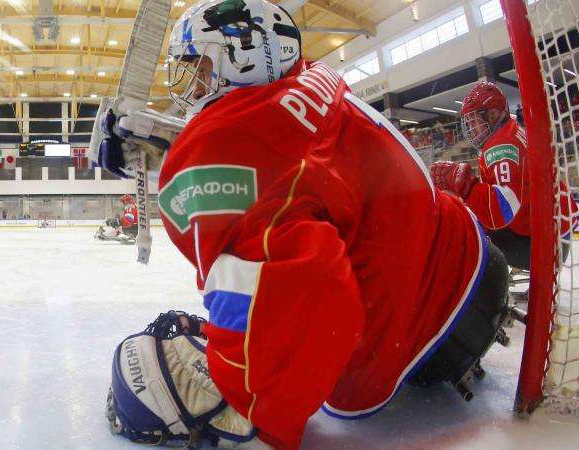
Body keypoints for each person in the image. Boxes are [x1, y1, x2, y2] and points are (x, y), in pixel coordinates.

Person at [99, 1, 510, 448]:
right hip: (464, 261)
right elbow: (288, 159)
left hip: (419, 337)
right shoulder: (313, 80)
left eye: (199, 67)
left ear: (241, 58)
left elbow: (309, 286)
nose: (192, 84)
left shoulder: (248, 151)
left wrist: (253, 407)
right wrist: (170, 145)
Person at [430, 82, 579, 270]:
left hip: (546, 243)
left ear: (492, 115)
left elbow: (501, 212)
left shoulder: (501, 145)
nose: (470, 127)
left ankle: (488, 293)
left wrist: (466, 186)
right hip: (555, 232)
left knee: (469, 239)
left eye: (473, 120)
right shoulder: (511, 131)